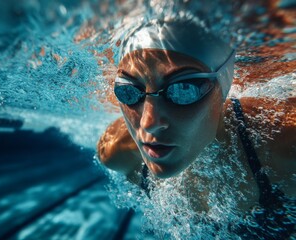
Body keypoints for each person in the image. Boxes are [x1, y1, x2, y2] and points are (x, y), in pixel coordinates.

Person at [96, 19, 295, 238]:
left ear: (224, 90)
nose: (148, 124)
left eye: (184, 89)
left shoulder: (283, 146)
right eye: (128, 91)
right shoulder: (117, 153)